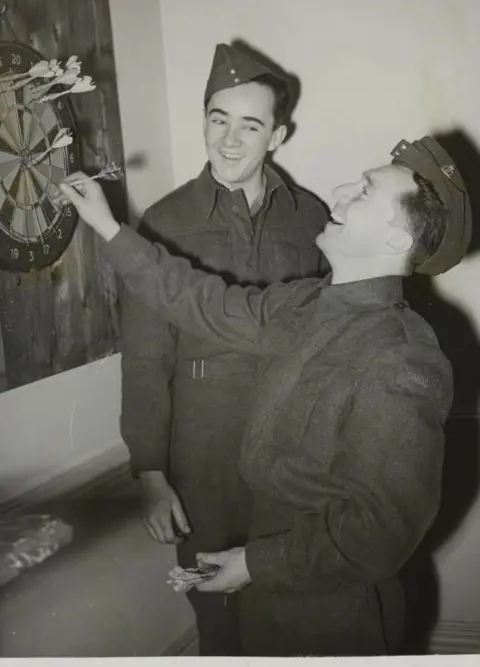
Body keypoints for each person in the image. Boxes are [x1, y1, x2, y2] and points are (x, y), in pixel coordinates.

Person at [57, 134, 471, 656]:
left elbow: (379, 531)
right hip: (270, 602)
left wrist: (253, 565)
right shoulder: (304, 304)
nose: (341, 192)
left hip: (335, 619)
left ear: (396, 241)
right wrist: (108, 228)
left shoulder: (404, 357)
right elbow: (199, 299)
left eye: (365, 192)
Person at [118, 42, 328, 655]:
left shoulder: (312, 217)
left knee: (289, 602)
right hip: (202, 462)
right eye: (218, 119)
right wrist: (150, 472)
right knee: (210, 600)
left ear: (278, 136)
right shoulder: (163, 223)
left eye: (250, 125)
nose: (230, 140)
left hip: (292, 453)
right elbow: (144, 359)